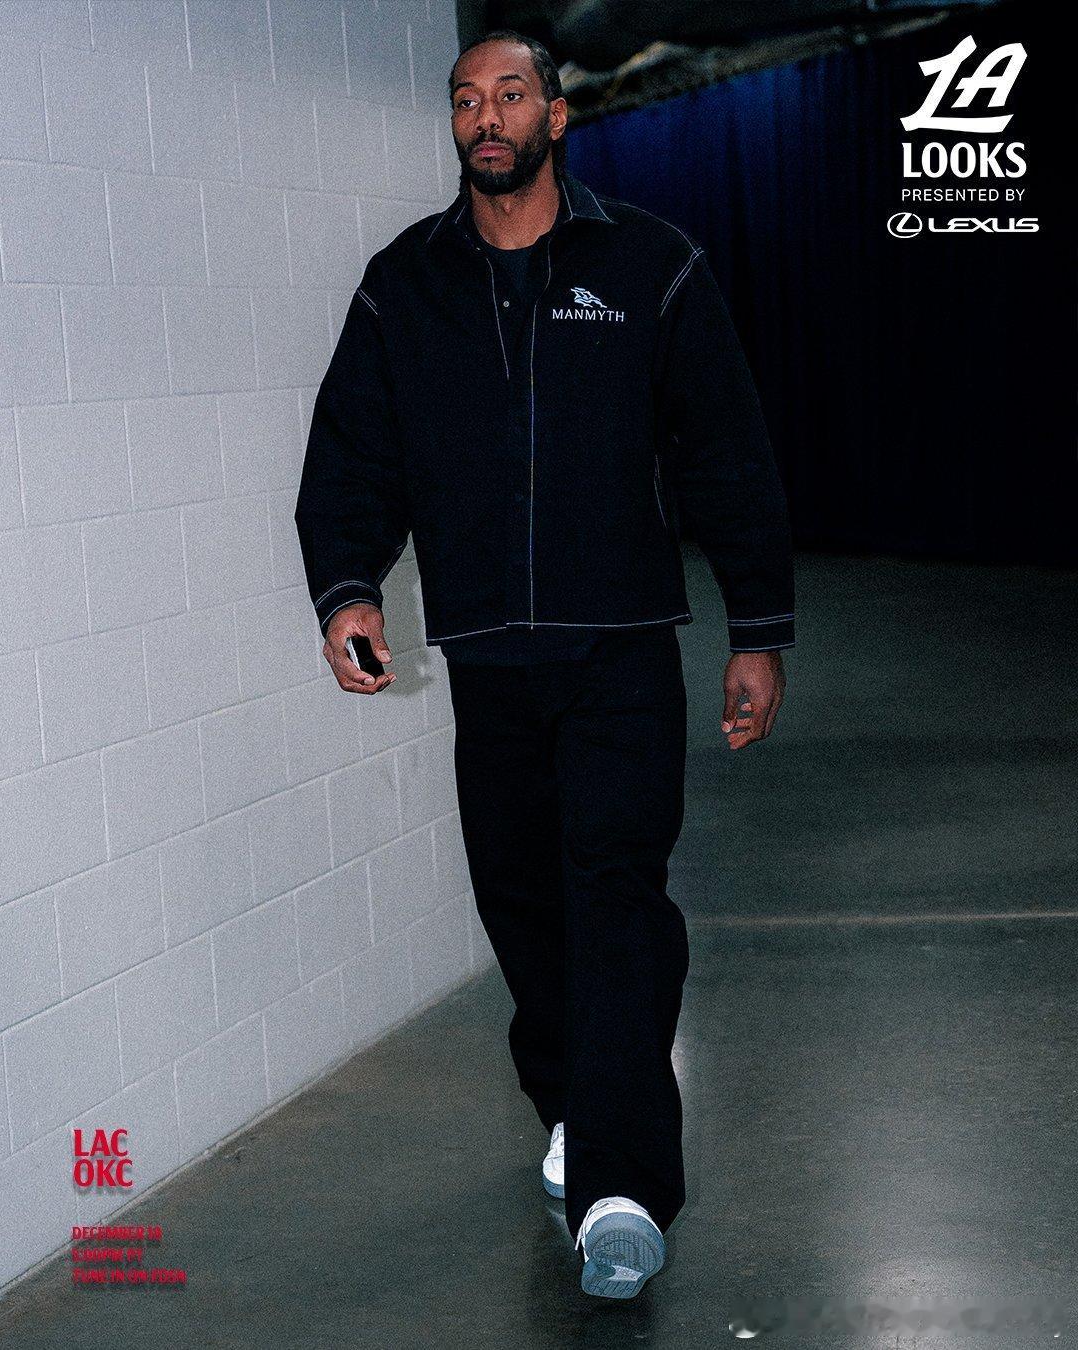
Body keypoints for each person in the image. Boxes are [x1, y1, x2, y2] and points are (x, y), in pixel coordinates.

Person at [294, 27, 795, 1299]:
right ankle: (575, 1101)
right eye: (465, 98)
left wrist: (757, 629)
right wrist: (348, 588)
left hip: (620, 650)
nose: (486, 116)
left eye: (510, 93)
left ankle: (624, 1186)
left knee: (616, 899)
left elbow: (726, 452)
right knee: (522, 905)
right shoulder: (404, 285)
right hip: (488, 661)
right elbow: (352, 455)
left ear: (556, 117)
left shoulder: (651, 264)